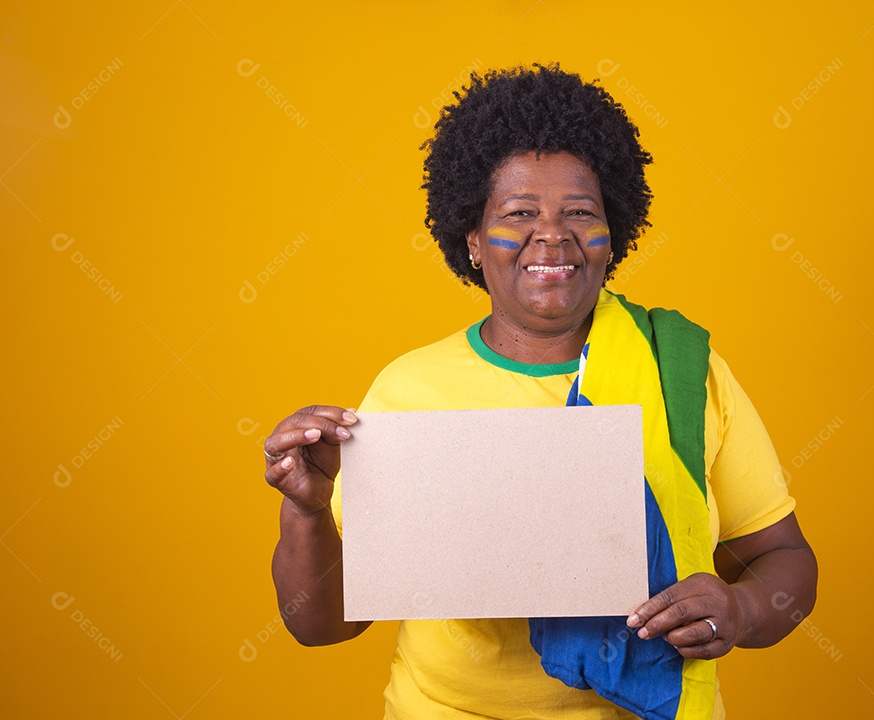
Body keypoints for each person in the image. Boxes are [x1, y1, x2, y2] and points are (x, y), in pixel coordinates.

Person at [263, 64, 817, 720]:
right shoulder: (409, 391)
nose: (551, 235)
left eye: (580, 212)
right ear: (472, 238)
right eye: (519, 213)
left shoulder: (681, 373)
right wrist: (306, 511)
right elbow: (319, 625)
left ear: (614, 234)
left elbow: (785, 558)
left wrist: (743, 608)